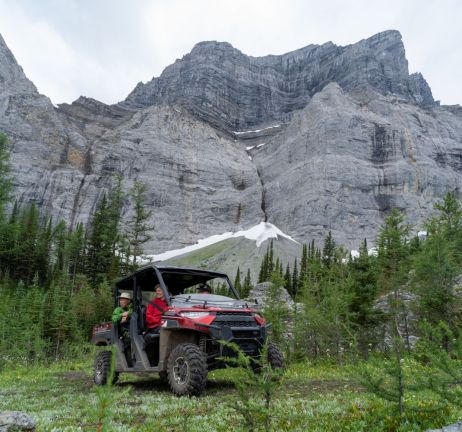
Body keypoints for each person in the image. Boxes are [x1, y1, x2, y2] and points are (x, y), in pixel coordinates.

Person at [112, 292, 133, 365]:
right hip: (123, 332)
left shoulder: (131, 308)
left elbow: (132, 312)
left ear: (128, 301)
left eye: (123, 300)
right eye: (120, 300)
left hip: (133, 330)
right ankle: (129, 362)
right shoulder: (118, 310)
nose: (121, 301)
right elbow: (114, 319)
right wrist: (122, 315)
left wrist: (128, 314)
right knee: (128, 342)